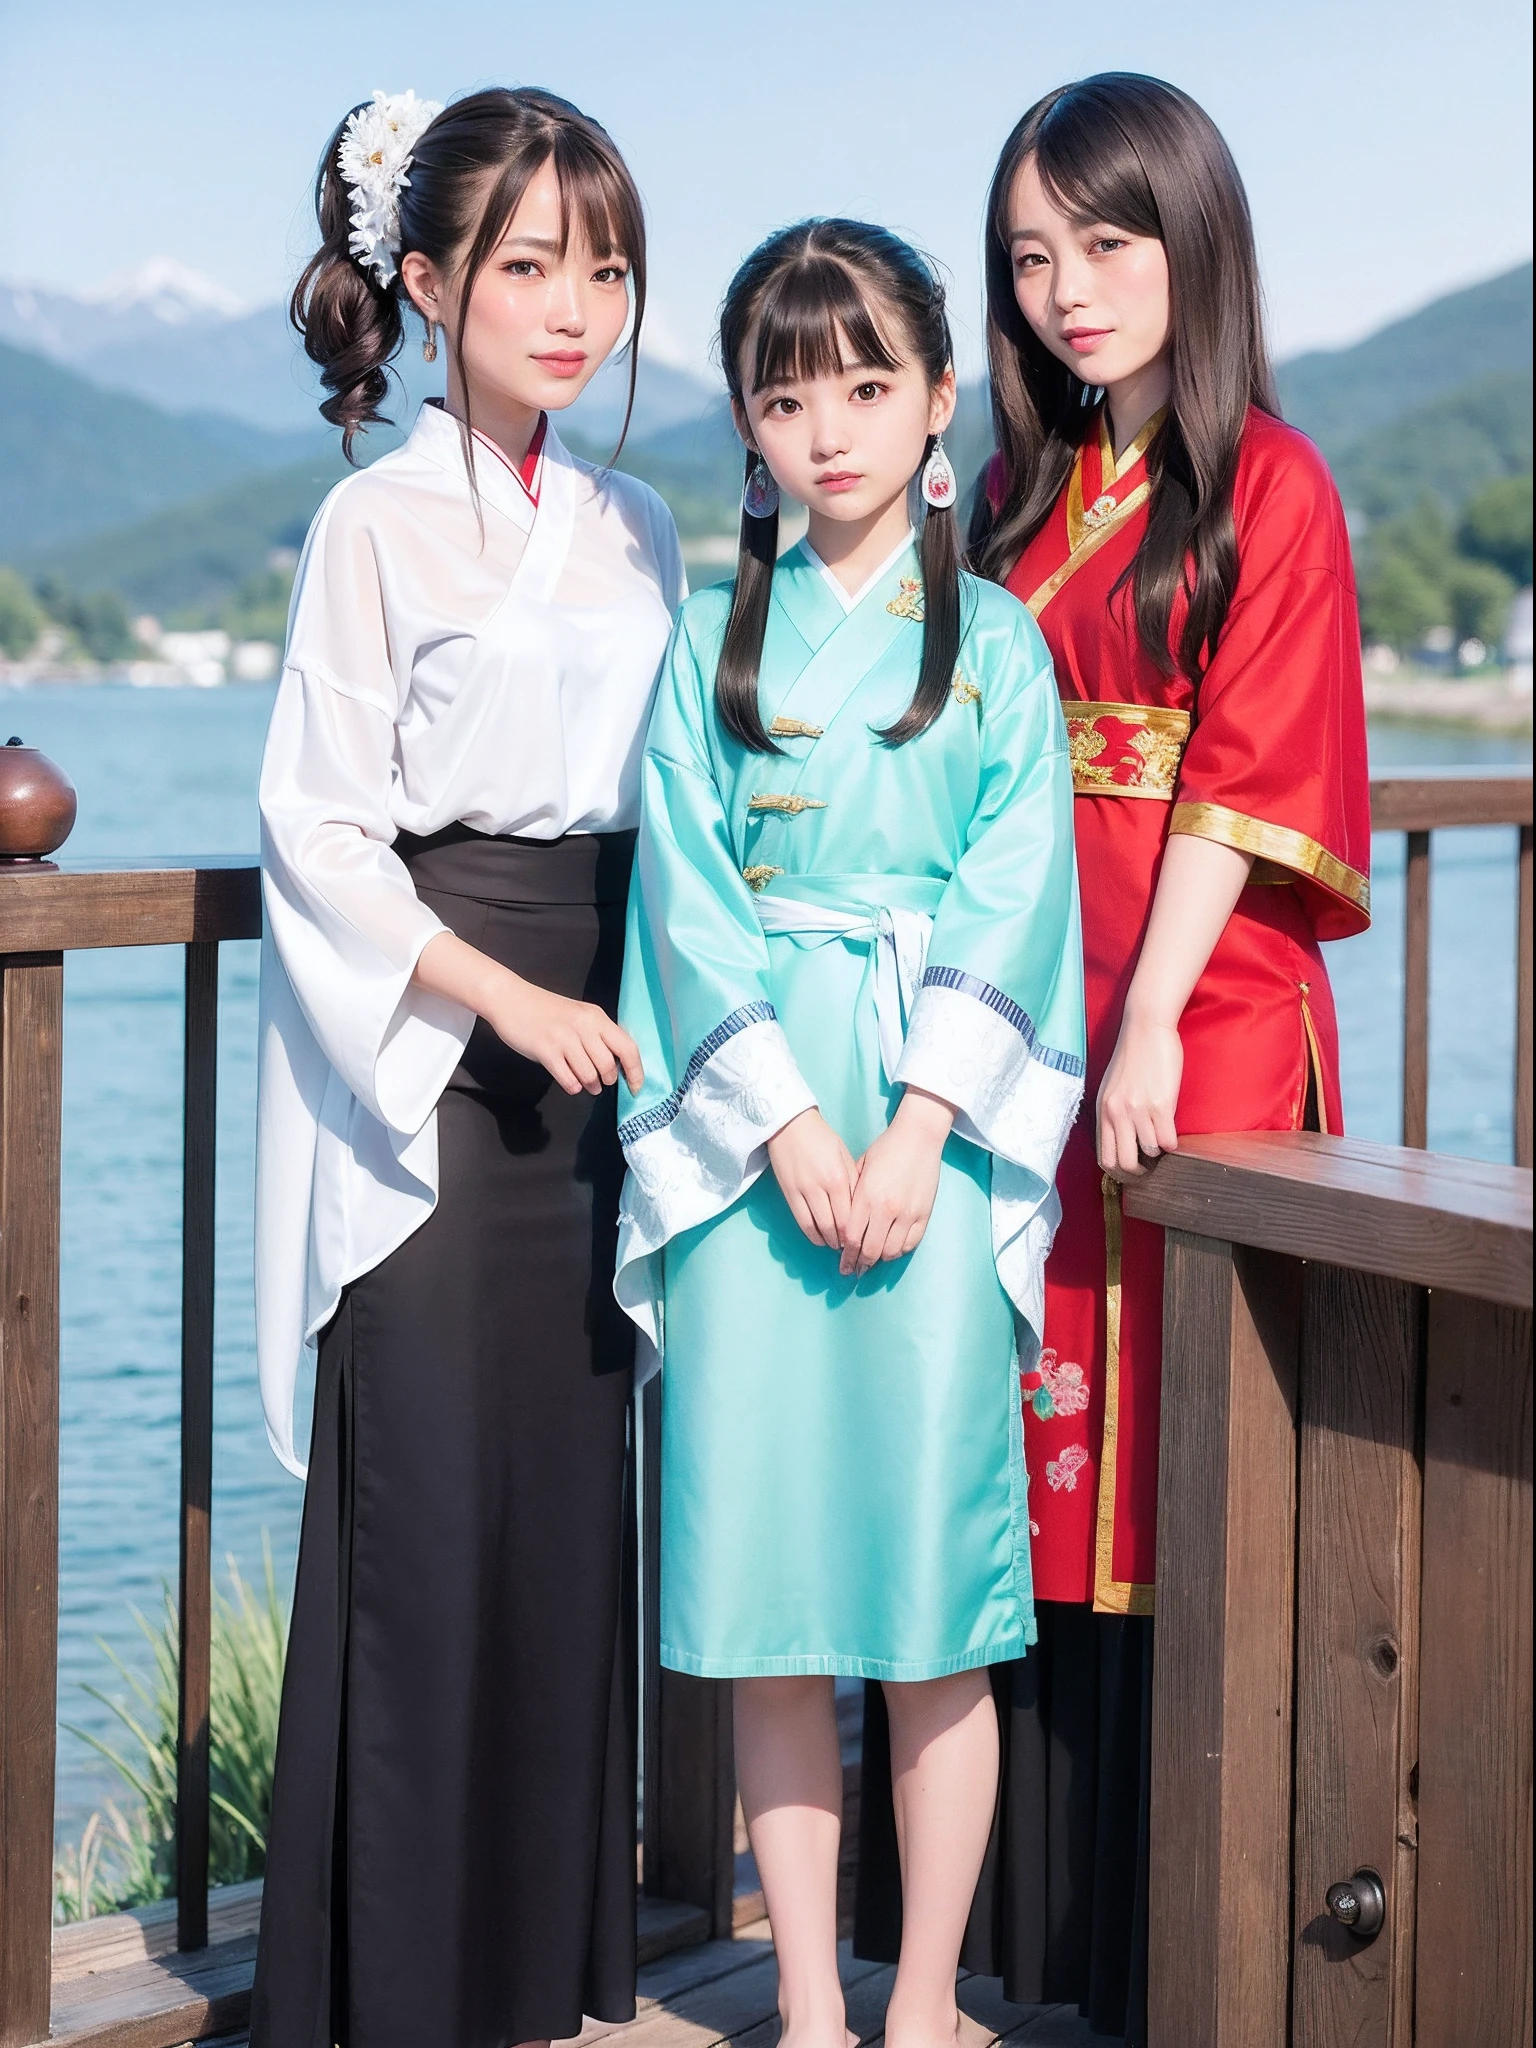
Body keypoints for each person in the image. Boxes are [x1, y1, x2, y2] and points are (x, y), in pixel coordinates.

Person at [856, 73, 1372, 2043]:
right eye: (1030, 255)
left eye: (1107, 239)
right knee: (1016, 1449)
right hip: (1011, 1019)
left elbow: (1240, 787)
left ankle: (1186, 1948)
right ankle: (1010, 1945)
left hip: (1195, 1028)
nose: (1069, 288)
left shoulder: (1274, 485)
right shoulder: (1005, 496)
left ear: (1194, 240)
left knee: (1178, 1455)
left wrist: (1147, 1016)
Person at [615, 220, 1083, 2048]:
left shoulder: (1000, 649)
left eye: (869, 385)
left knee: (933, 1591)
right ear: (745, 415)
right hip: (756, 1160)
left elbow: (1015, 889)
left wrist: (913, 1134)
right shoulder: (707, 644)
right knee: (773, 1590)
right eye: (787, 391)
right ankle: (810, 1999)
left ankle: (926, 1998)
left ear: (942, 397)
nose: (830, 427)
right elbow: (684, 898)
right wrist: (790, 1130)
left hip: (933, 1143)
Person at [251, 86, 683, 2048]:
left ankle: (530, 1979)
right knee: (423, 1523)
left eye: (602, 262)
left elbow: (684, 808)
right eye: (527, 263)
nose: (573, 303)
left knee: (560, 1519)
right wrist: (500, 1004)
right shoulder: (372, 522)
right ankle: (389, 1995)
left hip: (608, 1073)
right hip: (436, 1060)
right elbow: (322, 833)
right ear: (426, 285)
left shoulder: (647, 525)